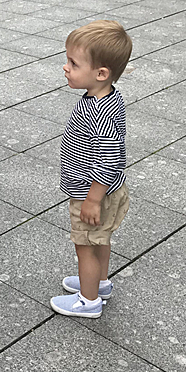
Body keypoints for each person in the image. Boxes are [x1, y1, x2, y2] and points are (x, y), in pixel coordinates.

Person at [50, 20, 132, 319]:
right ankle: (100, 283)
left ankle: (89, 300)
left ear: (101, 73)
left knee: (84, 245)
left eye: (73, 62)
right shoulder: (108, 96)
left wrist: (93, 199)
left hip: (93, 193)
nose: (65, 67)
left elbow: (108, 159)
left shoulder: (97, 110)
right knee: (100, 240)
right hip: (105, 191)